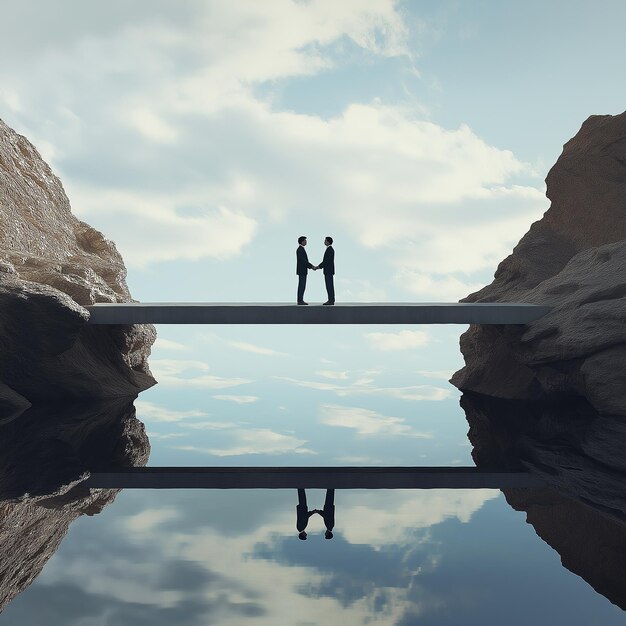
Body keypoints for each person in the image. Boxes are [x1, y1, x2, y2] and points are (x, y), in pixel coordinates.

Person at [315, 236, 335, 305]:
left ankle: (331, 300)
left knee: (329, 285)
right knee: (329, 285)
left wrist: (318, 267)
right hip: (328, 271)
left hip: (328, 271)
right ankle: (331, 299)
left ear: (328, 241)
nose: (324, 241)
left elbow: (326, 261)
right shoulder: (329, 249)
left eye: (325, 240)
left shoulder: (330, 250)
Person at [296, 235, 315, 305]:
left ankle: (300, 299)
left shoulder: (301, 249)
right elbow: (303, 261)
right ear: (302, 241)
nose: (306, 242)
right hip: (302, 270)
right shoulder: (300, 249)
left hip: (302, 270)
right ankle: (300, 300)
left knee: (302, 285)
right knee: (302, 285)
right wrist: (311, 266)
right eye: (305, 240)